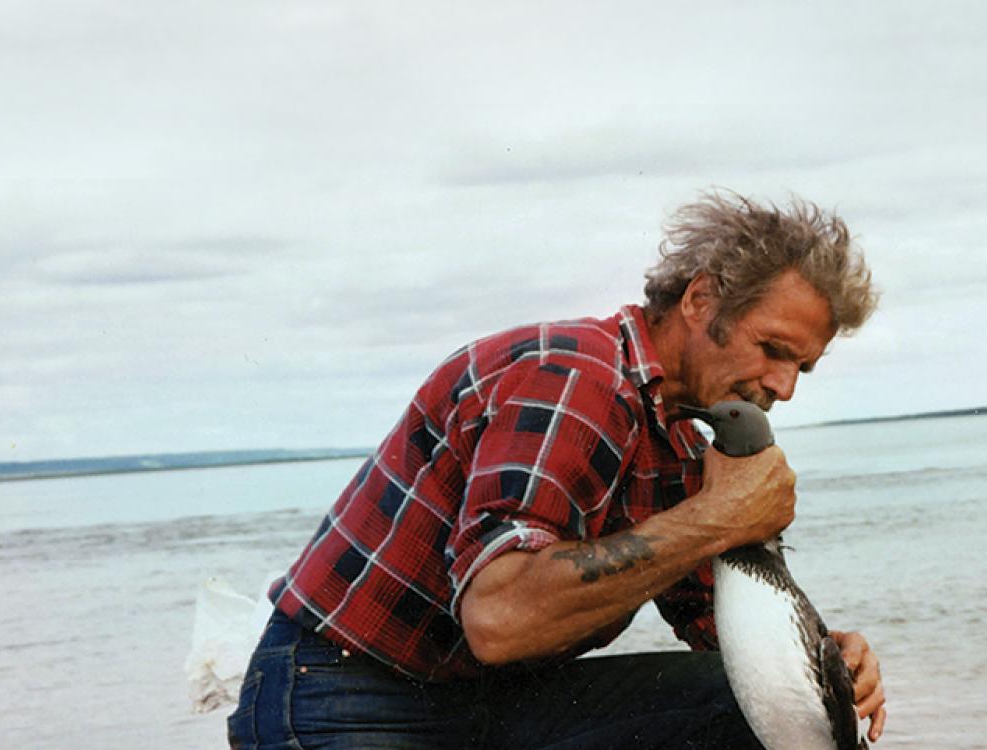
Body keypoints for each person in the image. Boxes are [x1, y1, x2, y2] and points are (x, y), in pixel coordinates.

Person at [228, 191, 886, 749]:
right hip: (340, 689)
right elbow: (500, 616)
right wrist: (719, 518)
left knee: (753, 713)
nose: (784, 387)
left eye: (802, 366)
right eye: (772, 350)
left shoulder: (684, 430)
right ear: (701, 299)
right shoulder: (575, 380)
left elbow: (717, 622)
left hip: (489, 699)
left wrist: (823, 661)